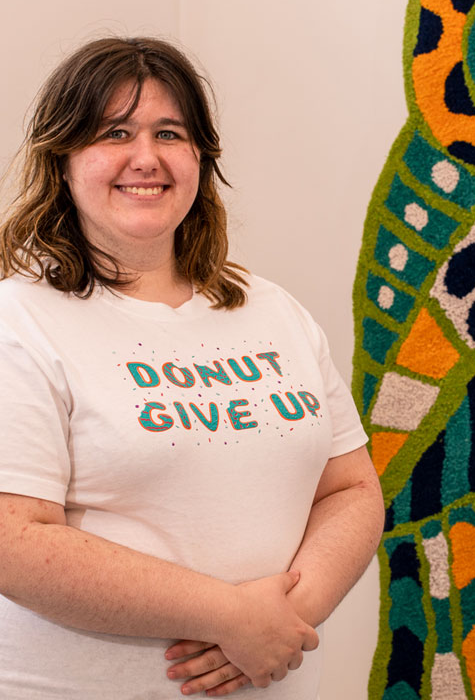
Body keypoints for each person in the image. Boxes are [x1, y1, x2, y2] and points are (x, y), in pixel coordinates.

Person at [0, 37, 385, 699]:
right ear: (63, 159)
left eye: (170, 133)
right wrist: (229, 617)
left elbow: (350, 490)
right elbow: (14, 538)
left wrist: (286, 617)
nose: (145, 157)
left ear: (200, 159)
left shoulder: (274, 310)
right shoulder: (21, 319)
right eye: (114, 131)